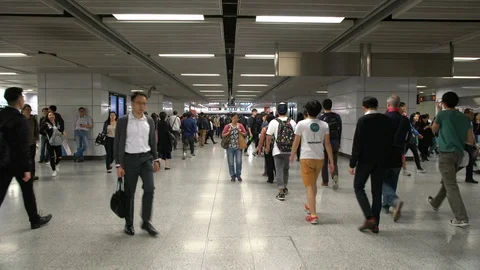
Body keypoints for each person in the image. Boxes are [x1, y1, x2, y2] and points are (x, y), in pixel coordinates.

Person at [0, 87, 52, 229]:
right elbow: (23, 146)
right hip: (17, 163)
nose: (23, 99)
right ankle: (34, 220)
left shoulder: (1, 115)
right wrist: (27, 168)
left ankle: (35, 218)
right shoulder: (20, 119)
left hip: (2, 162)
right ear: (18, 99)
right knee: (28, 192)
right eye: (22, 97)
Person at [114, 92, 160, 236]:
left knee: (150, 188)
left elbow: (152, 141)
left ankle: (146, 221)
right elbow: (117, 143)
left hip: (146, 159)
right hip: (129, 160)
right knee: (129, 193)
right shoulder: (123, 121)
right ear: (132, 104)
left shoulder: (149, 121)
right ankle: (129, 224)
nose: (142, 106)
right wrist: (119, 165)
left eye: (144, 103)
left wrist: (156, 159)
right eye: (139, 103)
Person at [428, 92, 473, 227]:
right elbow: (470, 140)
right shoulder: (465, 118)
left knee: (451, 185)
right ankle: (435, 203)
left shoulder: (442, 114)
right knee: (448, 181)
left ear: (444, 103)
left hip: (446, 153)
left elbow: (434, 130)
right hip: (459, 154)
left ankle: (461, 218)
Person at [349, 97, 394, 234]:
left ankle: (369, 217)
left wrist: (352, 163)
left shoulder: (363, 120)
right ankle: (376, 224)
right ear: (378, 106)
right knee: (377, 192)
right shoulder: (386, 120)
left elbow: (358, 143)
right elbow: (390, 141)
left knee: (358, 186)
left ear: (364, 107)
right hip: (381, 161)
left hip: (365, 160)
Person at [290, 100, 334, 224]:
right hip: (320, 158)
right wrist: (331, 161)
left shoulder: (301, 124)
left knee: (309, 186)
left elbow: (296, 142)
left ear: (307, 111)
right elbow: (327, 144)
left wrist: (292, 155)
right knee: (313, 183)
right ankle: (310, 205)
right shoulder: (325, 125)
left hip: (306, 157)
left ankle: (313, 215)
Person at [383, 95, 410, 222]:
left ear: (388, 105)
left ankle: (395, 201)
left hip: (384, 154)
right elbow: (408, 138)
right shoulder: (404, 120)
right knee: (392, 181)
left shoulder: (383, 118)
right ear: (398, 106)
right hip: (398, 154)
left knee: (380, 181)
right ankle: (385, 205)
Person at [266, 102, 296, 201]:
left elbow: (269, 136)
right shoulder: (292, 122)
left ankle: (281, 191)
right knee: (286, 169)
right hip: (289, 150)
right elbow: (296, 137)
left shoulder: (273, 122)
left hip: (277, 150)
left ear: (277, 111)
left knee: (278, 170)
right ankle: (285, 187)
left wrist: (267, 148)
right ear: (287, 111)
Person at [318, 99, 342, 189]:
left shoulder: (320, 117)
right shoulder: (337, 117)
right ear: (331, 105)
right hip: (335, 142)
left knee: (324, 163)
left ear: (323, 106)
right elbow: (340, 131)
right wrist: (338, 142)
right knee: (334, 162)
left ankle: (325, 182)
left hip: (324, 142)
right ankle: (335, 177)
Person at [222, 113, 247, 182]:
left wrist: (240, 131)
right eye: (234, 118)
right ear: (231, 118)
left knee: (239, 162)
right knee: (231, 162)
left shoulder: (240, 125)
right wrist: (228, 132)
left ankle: (238, 175)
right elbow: (223, 135)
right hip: (229, 147)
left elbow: (245, 134)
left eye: (237, 118)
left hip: (238, 147)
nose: (236, 119)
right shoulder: (227, 126)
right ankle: (232, 175)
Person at [41, 111, 64, 177]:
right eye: (49, 115)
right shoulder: (46, 124)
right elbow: (40, 131)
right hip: (50, 142)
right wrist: (47, 135)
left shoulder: (57, 122)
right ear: (47, 117)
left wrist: (62, 132)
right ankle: (54, 170)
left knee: (59, 157)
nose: (51, 116)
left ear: (54, 116)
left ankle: (57, 164)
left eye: (52, 115)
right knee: (52, 157)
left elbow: (61, 129)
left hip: (57, 141)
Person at [22, 104, 39, 181]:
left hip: (32, 142)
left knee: (32, 159)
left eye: (30, 110)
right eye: (27, 109)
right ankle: (24, 175)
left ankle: (32, 175)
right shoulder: (20, 119)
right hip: (22, 143)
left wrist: (36, 138)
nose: (29, 111)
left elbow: (36, 129)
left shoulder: (33, 119)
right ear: (23, 110)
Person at [257, 114, 276, 183]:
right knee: (276, 163)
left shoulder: (265, 129)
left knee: (269, 163)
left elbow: (261, 139)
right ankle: (278, 176)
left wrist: (259, 148)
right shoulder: (278, 127)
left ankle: (270, 178)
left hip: (267, 148)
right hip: (277, 148)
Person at [463, 109, 478, 184]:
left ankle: (469, 177)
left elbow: (471, 133)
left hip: (469, 143)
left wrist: (474, 143)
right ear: (467, 113)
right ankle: (469, 177)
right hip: (465, 143)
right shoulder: (463, 121)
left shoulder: (469, 121)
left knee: (470, 161)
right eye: (471, 114)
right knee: (466, 161)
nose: (473, 116)